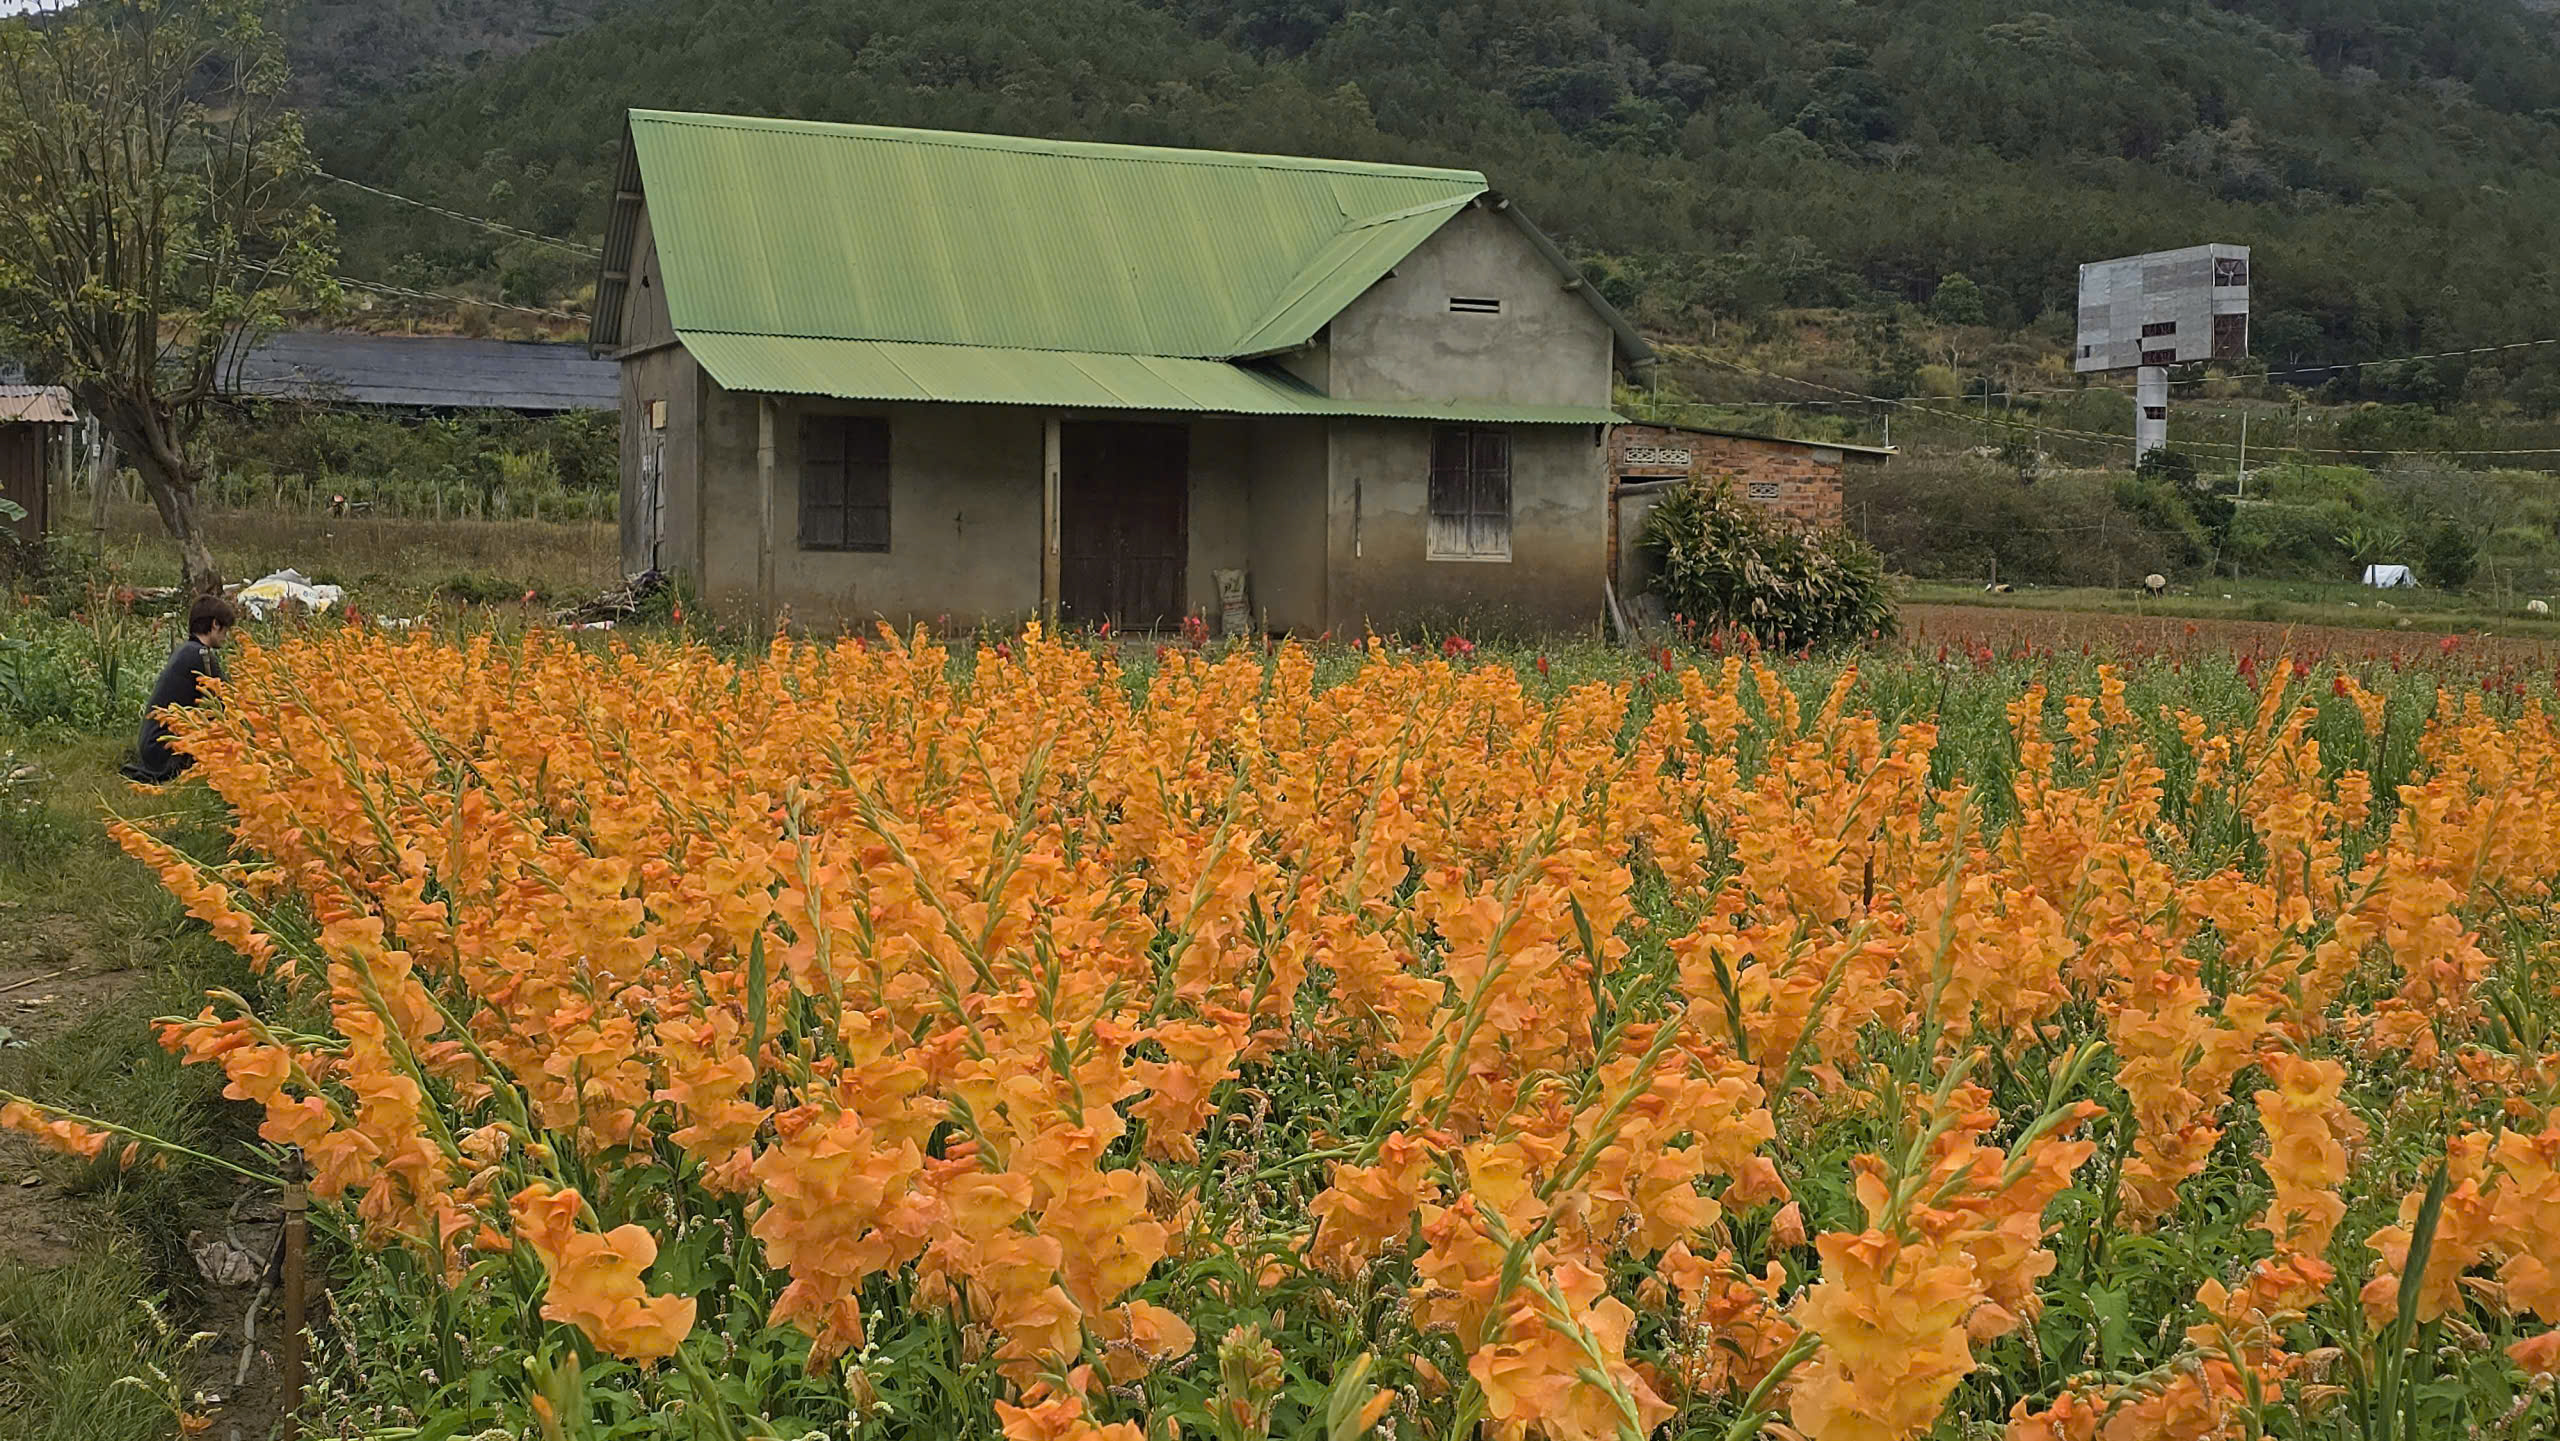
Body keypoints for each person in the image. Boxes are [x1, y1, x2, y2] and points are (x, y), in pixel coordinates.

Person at [123, 594, 238, 784]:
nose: (226, 636)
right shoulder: (202, 655)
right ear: (215, 624)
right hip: (164, 752)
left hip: (152, 745)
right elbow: (227, 700)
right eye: (226, 629)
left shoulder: (185, 650)